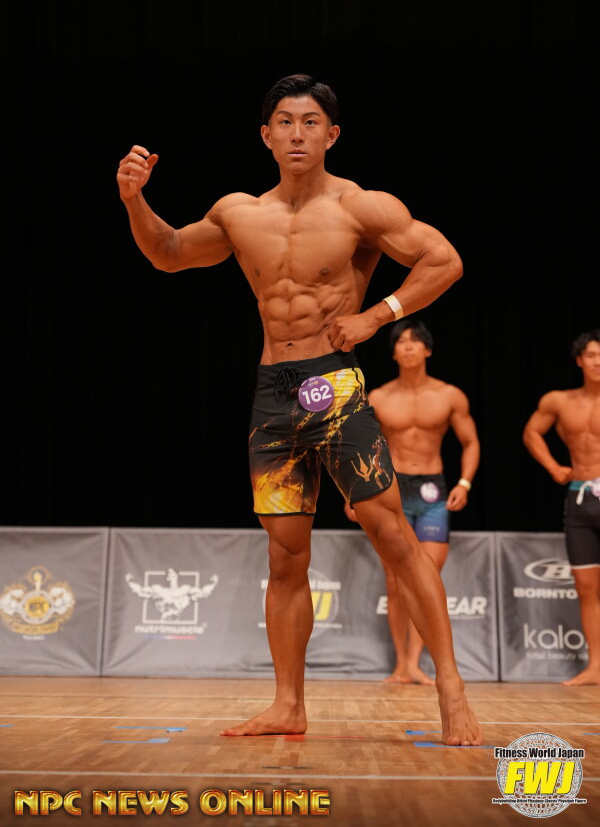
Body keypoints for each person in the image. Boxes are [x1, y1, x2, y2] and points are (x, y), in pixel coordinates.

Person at [116, 74, 481, 745]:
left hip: (333, 383)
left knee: (394, 538)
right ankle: (287, 705)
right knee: (285, 558)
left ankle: (451, 688)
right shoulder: (238, 212)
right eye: (284, 122)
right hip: (273, 395)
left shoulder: (360, 206)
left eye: (310, 122)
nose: (297, 134)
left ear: (331, 134)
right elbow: (168, 253)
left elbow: (444, 261)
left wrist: (377, 315)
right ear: (265, 135)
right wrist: (135, 201)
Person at [345, 319, 479, 684]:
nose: (408, 346)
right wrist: (354, 492)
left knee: (427, 576)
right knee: (394, 580)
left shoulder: (449, 395)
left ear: (427, 349)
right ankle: (401, 664)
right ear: (393, 353)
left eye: (415, 341)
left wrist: (465, 483)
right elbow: (362, 450)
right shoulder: (379, 397)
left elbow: (470, 442)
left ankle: (417, 663)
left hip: (433, 490)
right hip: (391, 490)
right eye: (401, 341)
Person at [523, 329, 600, 686]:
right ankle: (595, 666)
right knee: (585, 586)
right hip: (580, 497)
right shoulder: (559, 401)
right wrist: (554, 467)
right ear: (580, 361)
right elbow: (531, 432)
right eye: (592, 355)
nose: (598, 362)